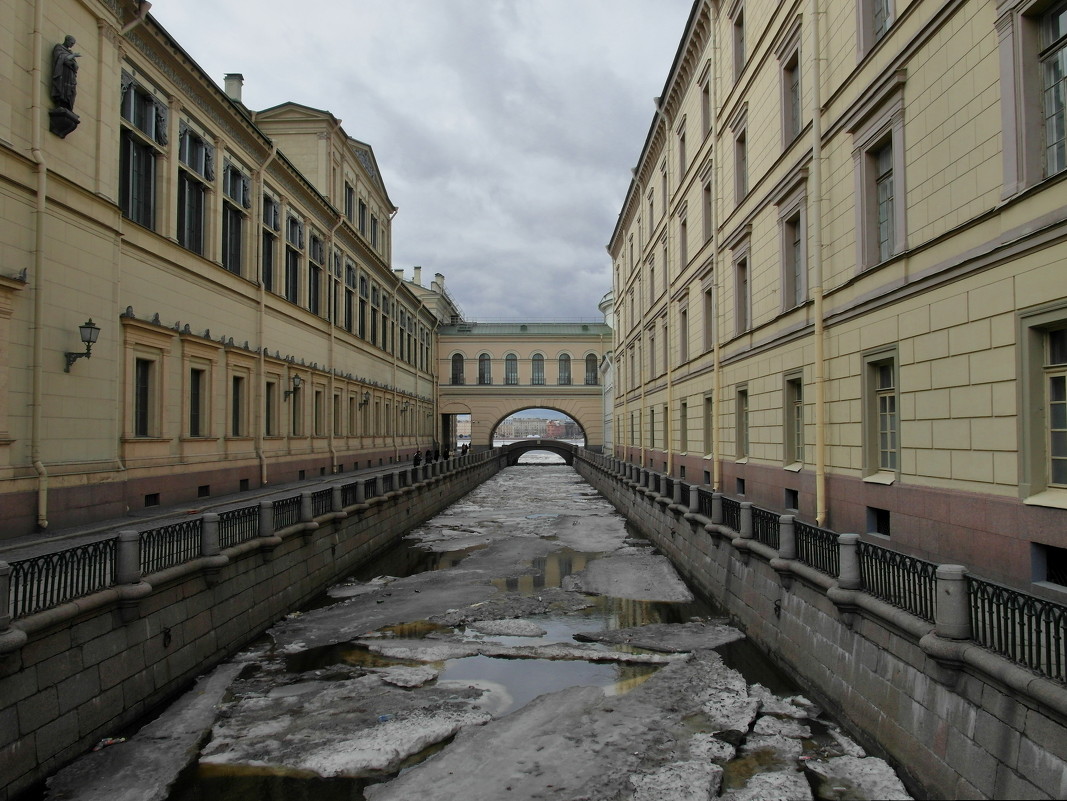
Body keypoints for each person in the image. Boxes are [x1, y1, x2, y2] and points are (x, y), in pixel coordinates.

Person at [51, 36, 80, 111]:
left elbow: (74, 64)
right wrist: (74, 55)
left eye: (73, 44)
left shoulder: (70, 52)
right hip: (63, 73)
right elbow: (63, 58)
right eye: (71, 43)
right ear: (67, 40)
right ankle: (60, 103)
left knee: (72, 92)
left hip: (70, 75)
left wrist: (74, 64)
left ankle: (68, 106)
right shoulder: (59, 47)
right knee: (63, 89)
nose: (72, 45)